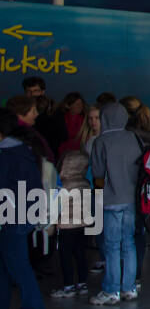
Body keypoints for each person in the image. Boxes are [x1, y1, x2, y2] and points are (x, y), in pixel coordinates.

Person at [0, 108, 49, 309]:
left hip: (14, 218)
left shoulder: (9, 155)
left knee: (19, 268)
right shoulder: (23, 151)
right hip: (21, 216)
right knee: (8, 267)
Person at [89, 102, 142, 306]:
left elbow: (98, 173)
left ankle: (111, 290)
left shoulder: (101, 141)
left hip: (110, 199)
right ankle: (129, 288)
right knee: (128, 243)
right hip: (131, 198)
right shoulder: (133, 138)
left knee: (111, 246)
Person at [51, 106, 99, 298]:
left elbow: (56, 207)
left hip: (66, 226)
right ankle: (83, 283)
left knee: (65, 254)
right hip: (82, 225)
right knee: (81, 253)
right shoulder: (86, 183)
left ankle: (68, 285)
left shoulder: (61, 186)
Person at [121, 97, 150, 294]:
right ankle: (136, 275)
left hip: (129, 188)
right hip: (149, 190)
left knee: (124, 235)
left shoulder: (129, 137)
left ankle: (125, 277)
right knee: (139, 233)